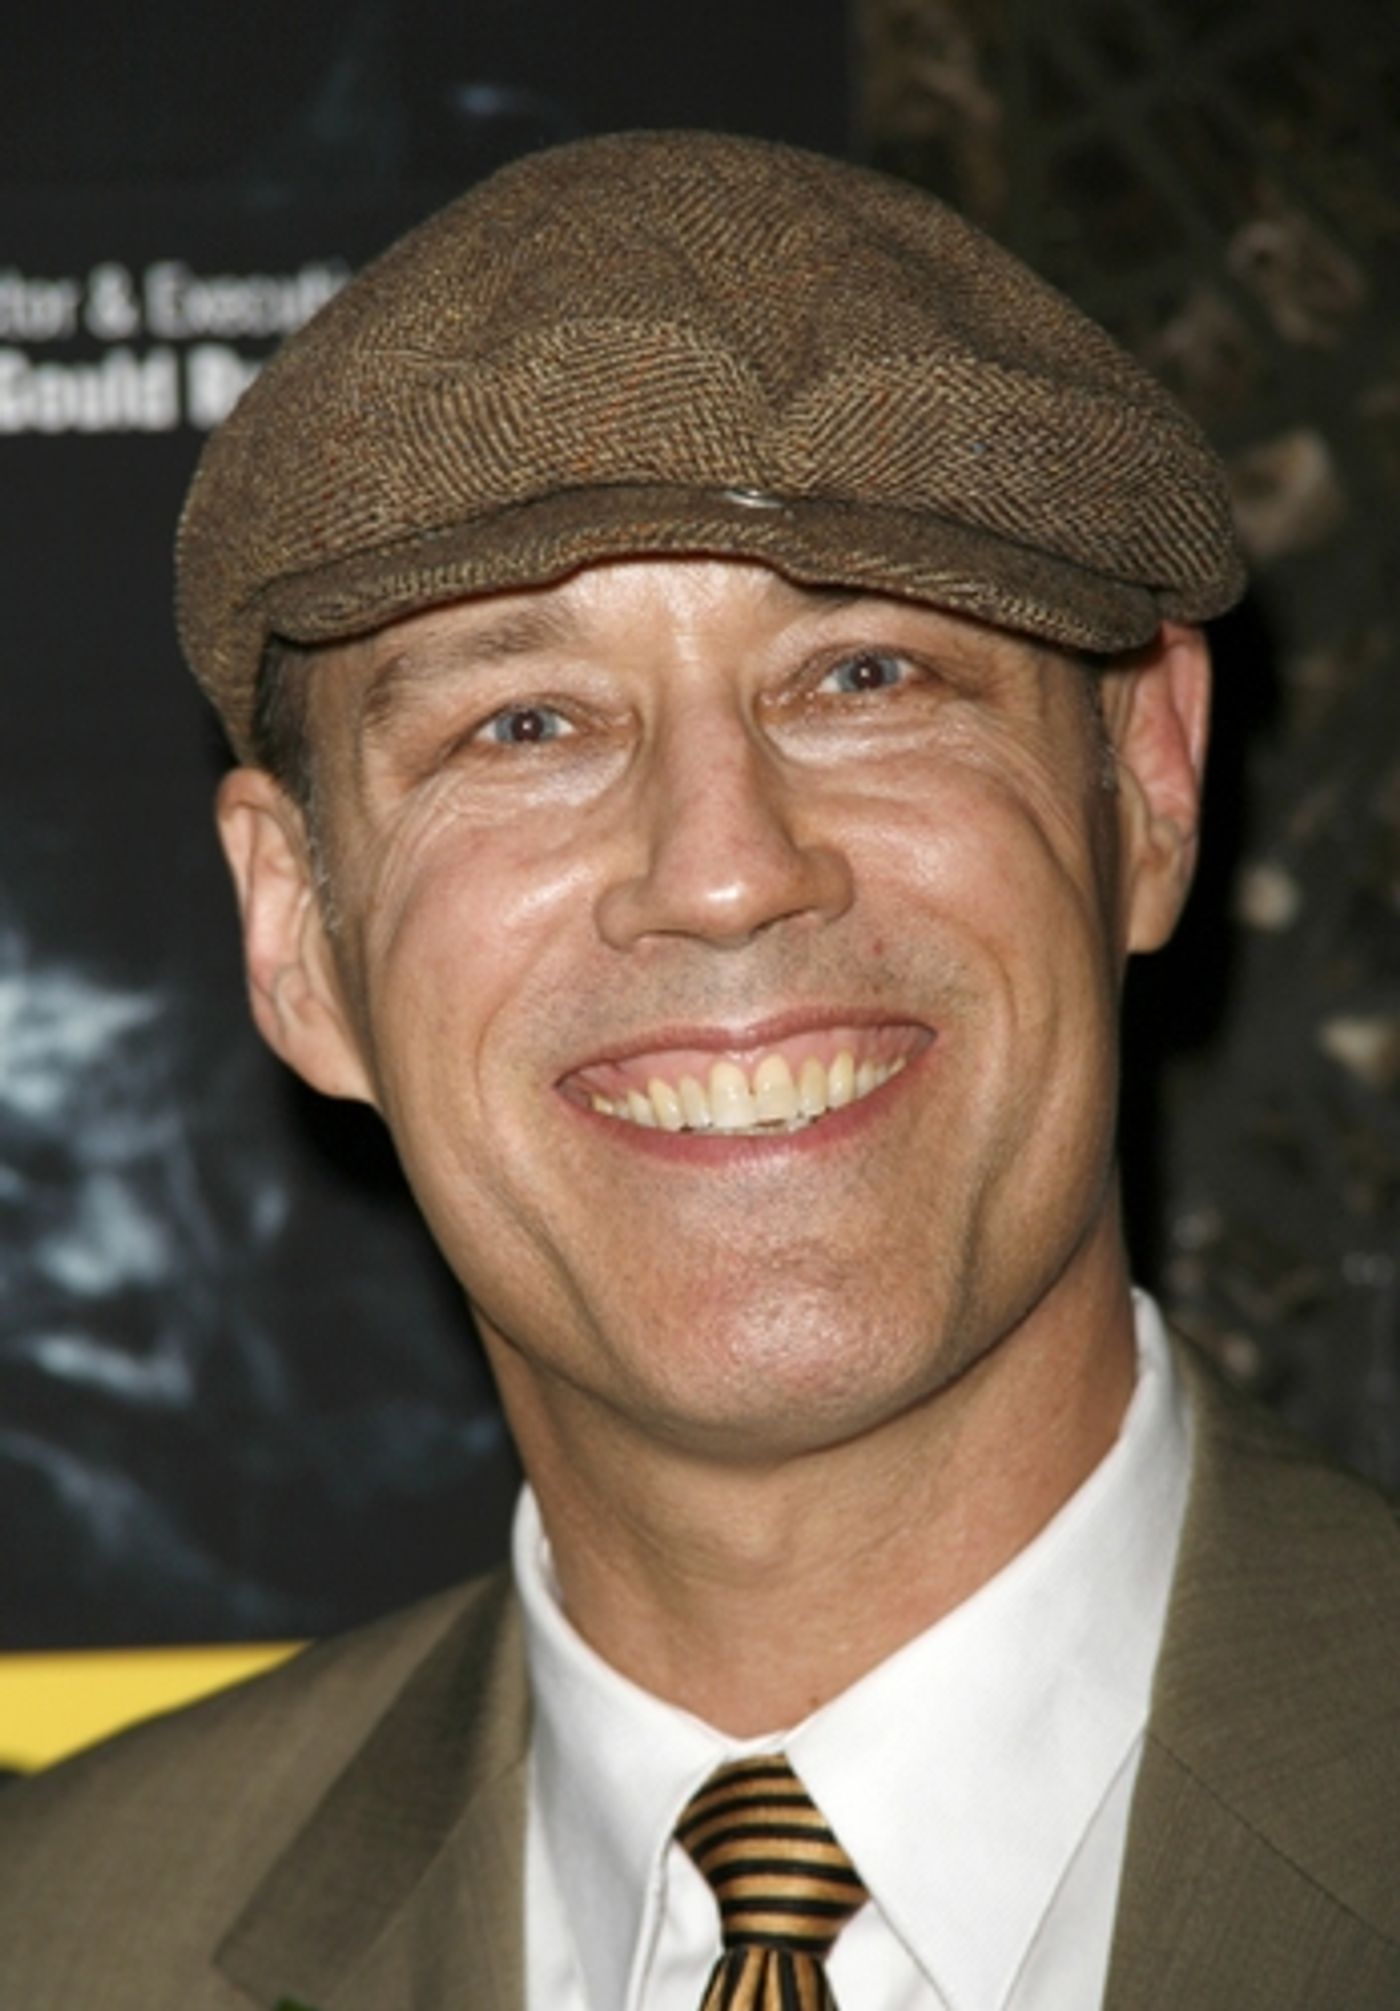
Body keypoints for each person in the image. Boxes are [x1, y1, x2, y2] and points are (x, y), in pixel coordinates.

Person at [0, 130, 1395, 2011]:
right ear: (296, 938)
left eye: (868, 678)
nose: (726, 869)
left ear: (1146, 784)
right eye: (526, 723)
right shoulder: (59, 1947)